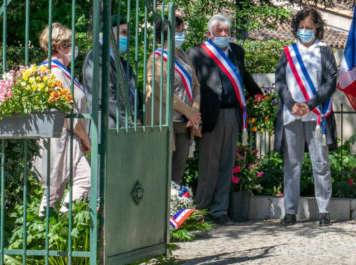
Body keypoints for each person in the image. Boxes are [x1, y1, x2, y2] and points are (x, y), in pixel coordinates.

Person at [187, 14, 262, 224]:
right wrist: (196, 119)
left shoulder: (236, 51)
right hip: (210, 115)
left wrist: (257, 93)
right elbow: (192, 86)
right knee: (208, 165)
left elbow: (243, 75)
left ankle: (220, 211)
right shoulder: (196, 53)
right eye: (219, 31)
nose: (224, 35)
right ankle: (201, 210)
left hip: (232, 113)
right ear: (209, 33)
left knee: (227, 164)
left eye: (227, 31)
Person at [273, 8, 338, 227]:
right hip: (291, 115)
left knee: (320, 163)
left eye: (309, 28)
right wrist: (292, 104)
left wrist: (310, 104)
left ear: (317, 29)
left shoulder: (324, 50)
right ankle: (290, 211)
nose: (304, 31)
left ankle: (324, 210)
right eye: (301, 28)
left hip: (316, 114)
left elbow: (330, 81)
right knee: (292, 164)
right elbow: (280, 82)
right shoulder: (288, 52)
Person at [34, 23, 92, 216]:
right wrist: (85, 138)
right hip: (61, 138)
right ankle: (61, 222)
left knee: (55, 188)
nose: (74, 48)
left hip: (65, 138)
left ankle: (50, 228)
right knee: (82, 181)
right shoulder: (55, 72)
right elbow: (68, 113)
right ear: (58, 46)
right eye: (71, 43)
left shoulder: (58, 71)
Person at [145, 15, 202, 187]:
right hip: (165, 123)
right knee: (162, 174)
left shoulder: (183, 56)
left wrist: (195, 112)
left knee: (177, 176)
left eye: (181, 30)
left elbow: (196, 85)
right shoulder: (155, 59)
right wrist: (189, 111)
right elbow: (161, 91)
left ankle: (175, 211)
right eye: (177, 31)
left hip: (185, 124)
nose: (181, 34)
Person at [82, 15, 142, 128]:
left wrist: (137, 117)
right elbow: (106, 97)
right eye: (124, 32)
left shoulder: (122, 63)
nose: (127, 37)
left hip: (126, 127)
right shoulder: (96, 58)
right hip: (108, 127)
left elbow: (134, 92)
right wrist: (127, 121)